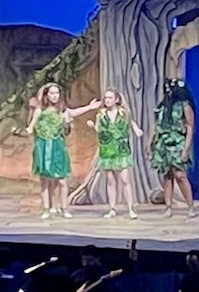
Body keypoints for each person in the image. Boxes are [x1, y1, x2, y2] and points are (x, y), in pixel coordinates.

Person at [23, 83, 101, 220]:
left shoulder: (62, 111)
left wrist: (89, 107)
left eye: (56, 93)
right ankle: (47, 208)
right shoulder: (39, 111)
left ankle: (64, 208)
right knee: (45, 180)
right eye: (51, 93)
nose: (54, 96)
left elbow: (74, 112)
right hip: (43, 147)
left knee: (62, 180)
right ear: (47, 95)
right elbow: (30, 127)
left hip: (58, 147)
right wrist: (25, 131)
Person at [81, 89, 144, 220]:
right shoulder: (101, 115)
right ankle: (112, 208)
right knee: (110, 179)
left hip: (121, 149)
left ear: (116, 99)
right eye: (106, 98)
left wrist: (136, 129)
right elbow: (99, 130)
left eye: (110, 97)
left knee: (125, 178)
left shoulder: (123, 113)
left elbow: (130, 122)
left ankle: (131, 208)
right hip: (108, 149)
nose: (107, 100)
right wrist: (93, 126)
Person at [152, 78, 198, 216]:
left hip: (178, 142)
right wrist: (150, 143)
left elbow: (190, 127)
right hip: (162, 143)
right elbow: (156, 126)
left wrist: (186, 149)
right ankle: (168, 207)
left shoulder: (185, 105)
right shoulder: (163, 106)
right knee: (167, 175)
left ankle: (190, 206)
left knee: (180, 175)